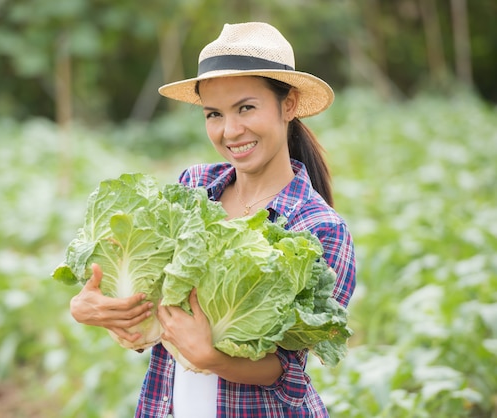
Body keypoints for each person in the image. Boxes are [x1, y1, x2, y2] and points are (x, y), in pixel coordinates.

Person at [70, 22, 356, 417]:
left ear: (287, 105)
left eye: (246, 108)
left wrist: (210, 356)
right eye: (214, 114)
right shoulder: (193, 188)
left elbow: (287, 370)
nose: (230, 130)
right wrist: (98, 309)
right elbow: (160, 311)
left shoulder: (320, 228)